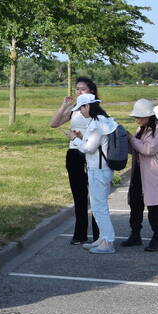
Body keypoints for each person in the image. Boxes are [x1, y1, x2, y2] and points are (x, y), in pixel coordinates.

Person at [49, 77, 100, 244]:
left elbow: (100, 133)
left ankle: (99, 234)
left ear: (92, 91)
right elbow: (53, 123)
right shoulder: (74, 109)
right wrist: (64, 105)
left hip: (91, 153)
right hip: (74, 153)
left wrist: (81, 137)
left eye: (83, 89)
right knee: (79, 195)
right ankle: (80, 234)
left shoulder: (96, 109)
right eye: (77, 89)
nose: (79, 92)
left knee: (95, 195)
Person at [66, 92, 118, 254]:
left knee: (99, 208)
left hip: (98, 170)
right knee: (99, 207)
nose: (80, 112)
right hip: (102, 169)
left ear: (88, 106)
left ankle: (108, 241)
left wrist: (74, 139)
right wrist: (82, 137)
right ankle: (102, 238)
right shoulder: (104, 120)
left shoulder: (97, 124)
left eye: (81, 108)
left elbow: (89, 148)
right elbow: (96, 143)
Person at [122, 99, 158, 251]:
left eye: (138, 116)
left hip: (153, 174)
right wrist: (126, 141)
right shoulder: (142, 129)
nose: (136, 119)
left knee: (155, 208)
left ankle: (157, 238)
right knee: (135, 204)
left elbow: (148, 149)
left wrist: (131, 139)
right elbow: (138, 149)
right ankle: (135, 234)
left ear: (148, 116)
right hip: (139, 172)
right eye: (135, 116)